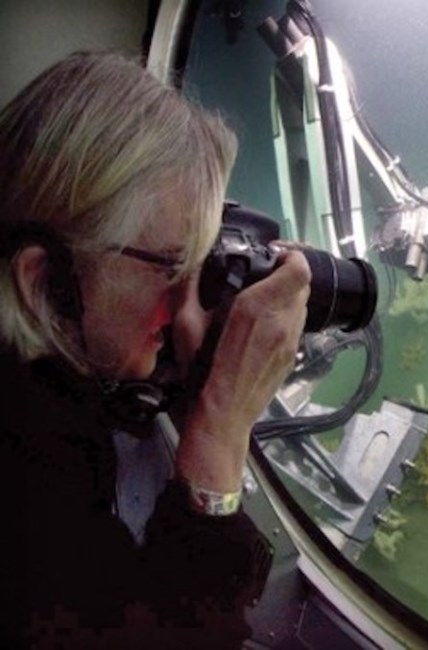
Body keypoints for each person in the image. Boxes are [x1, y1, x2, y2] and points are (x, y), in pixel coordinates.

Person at [0, 52, 311, 647]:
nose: (190, 295)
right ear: (43, 280)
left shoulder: (43, 383)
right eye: (173, 264)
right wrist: (220, 428)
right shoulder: (26, 477)